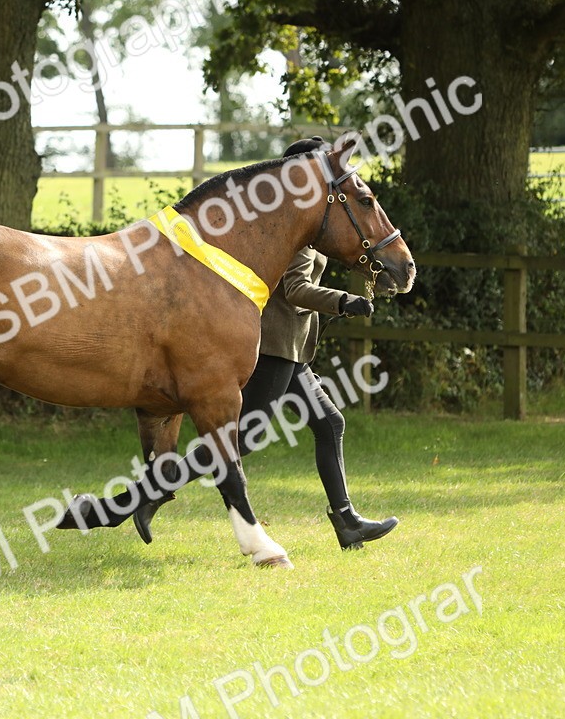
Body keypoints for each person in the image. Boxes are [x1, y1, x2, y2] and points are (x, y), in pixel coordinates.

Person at [133, 136, 399, 551]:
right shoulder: (291, 228)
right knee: (244, 440)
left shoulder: (303, 226)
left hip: (294, 350)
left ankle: (347, 522)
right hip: (275, 346)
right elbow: (295, 289)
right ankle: (150, 491)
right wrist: (342, 302)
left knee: (330, 423)